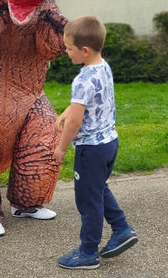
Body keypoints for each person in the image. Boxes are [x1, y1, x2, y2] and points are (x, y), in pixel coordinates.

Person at [54, 16, 138, 270]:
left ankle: (88, 253)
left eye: (69, 48)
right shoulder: (104, 67)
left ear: (84, 50)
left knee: (88, 202)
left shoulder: (81, 79)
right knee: (98, 189)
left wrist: (60, 147)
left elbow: (75, 124)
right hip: (110, 143)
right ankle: (121, 228)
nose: (66, 52)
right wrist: (68, 110)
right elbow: (91, 100)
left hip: (90, 150)